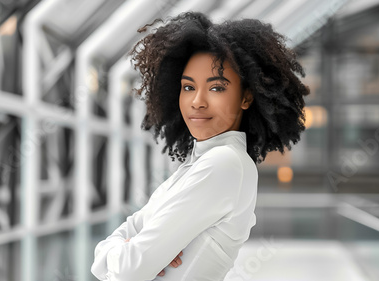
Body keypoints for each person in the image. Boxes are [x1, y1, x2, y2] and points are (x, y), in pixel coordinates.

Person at [91, 11, 309, 281]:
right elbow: (110, 254)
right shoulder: (196, 166)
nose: (197, 101)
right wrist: (122, 251)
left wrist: (123, 252)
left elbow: (127, 271)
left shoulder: (225, 164)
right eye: (188, 87)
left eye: (216, 88)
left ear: (246, 97)